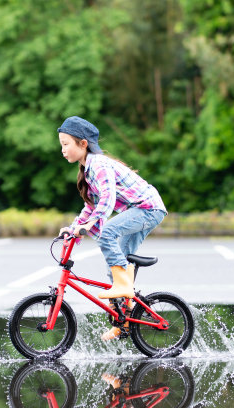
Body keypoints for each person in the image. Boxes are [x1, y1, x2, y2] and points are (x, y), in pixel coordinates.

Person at [57, 116, 167, 341]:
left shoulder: (99, 164)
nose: (62, 149)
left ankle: (124, 287)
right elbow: (92, 207)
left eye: (66, 144)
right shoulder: (87, 170)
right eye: (61, 145)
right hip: (139, 211)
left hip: (148, 208)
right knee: (115, 265)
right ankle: (123, 322)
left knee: (108, 233)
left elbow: (108, 198)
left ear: (83, 144)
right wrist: (72, 230)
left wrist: (90, 225)